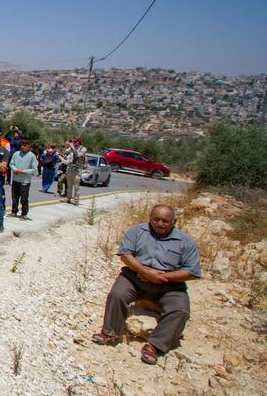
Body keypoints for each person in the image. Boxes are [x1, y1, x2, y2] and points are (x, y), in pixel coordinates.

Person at [91, 205, 201, 364]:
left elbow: (192, 272)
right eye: (156, 219)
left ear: (174, 222)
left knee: (181, 310)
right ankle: (109, 332)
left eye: (165, 221)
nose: (160, 223)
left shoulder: (186, 242)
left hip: (169, 285)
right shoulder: (137, 231)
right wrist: (144, 272)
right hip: (135, 278)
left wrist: (163, 277)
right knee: (117, 295)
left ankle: (155, 345)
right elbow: (125, 254)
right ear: (150, 218)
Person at [9, 140, 36, 220]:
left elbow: (33, 169)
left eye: (25, 145)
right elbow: (11, 164)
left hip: (25, 181)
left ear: (29, 147)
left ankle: (24, 214)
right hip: (15, 179)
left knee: (24, 198)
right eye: (22, 145)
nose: (22, 147)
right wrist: (15, 169)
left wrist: (24, 172)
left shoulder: (32, 156)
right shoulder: (16, 154)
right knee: (14, 197)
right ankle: (14, 211)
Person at [61, 136, 88, 205]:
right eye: (72, 141)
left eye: (75, 142)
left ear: (78, 142)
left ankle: (76, 200)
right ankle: (68, 198)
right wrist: (66, 146)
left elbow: (78, 155)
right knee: (69, 185)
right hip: (70, 168)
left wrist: (72, 147)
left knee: (76, 186)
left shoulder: (83, 149)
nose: (73, 143)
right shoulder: (70, 148)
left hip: (77, 170)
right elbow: (63, 154)